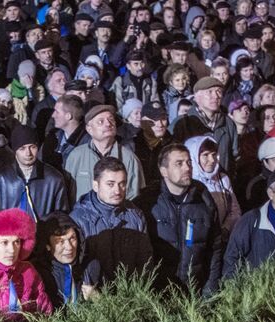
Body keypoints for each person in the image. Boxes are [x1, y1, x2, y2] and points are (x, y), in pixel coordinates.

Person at [144, 143, 223, 292]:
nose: (187, 168)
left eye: (189, 162)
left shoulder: (204, 199)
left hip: (195, 292)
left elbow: (215, 248)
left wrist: (210, 290)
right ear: (164, 171)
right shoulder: (149, 202)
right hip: (158, 295)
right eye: (179, 164)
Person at [70, 157, 154, 289]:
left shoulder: (135, 215)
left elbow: (145, 261)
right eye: (110, 184)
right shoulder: (79, 219)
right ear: (96, 185)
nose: (117, 190)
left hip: (129, 296)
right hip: (93, 299)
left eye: (122, 183)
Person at [0, 124, 72, 221]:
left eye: (32, 147)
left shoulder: (54, 178)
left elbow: (62, 216)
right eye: (22, 148)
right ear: (14, 150)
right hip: (9, 234)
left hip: (42, 234)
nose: (28, 153)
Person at [65, 103, 144, 199]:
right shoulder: (76, 156)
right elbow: (67, 194)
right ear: (89, 129)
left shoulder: (129, 158)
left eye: (111, 120)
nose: (108, 124)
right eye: (100, 122)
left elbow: (136, 197)